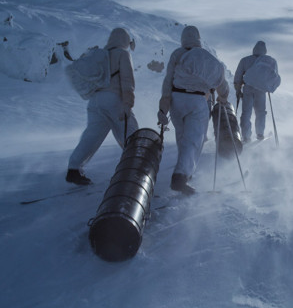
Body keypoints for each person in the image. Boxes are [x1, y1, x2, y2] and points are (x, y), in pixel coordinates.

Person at [157, 25, 229, 195]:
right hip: (198, 100)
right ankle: (181, 176)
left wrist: (163, 107)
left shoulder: (177, 54)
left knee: (182, 138)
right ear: (198, 39)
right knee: (194, 140)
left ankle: (184, 174)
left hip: (176, 100)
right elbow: (220, 81)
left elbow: (168, 81)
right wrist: (223, 96)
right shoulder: (207, 57)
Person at [66, 27, 139, 185]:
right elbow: (127, 81)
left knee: (91, 136)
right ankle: (137, 168)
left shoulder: (100, 55)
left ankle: (74, 168)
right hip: (113, 99)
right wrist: (128, 103)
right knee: (131, 133)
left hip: (95, 100)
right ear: (125, 40)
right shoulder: (122, 54)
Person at [233, 41, 278, 142]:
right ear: (265, 50)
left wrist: (238, 89)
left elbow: (238, 76)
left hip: (248, 89)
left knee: (246, 113)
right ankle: (260, 133)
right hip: (261, 90)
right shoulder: (269, 61)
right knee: (260, 112)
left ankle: (246, 135)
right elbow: (273, 76)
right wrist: (270, 87)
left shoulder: (245, 60)